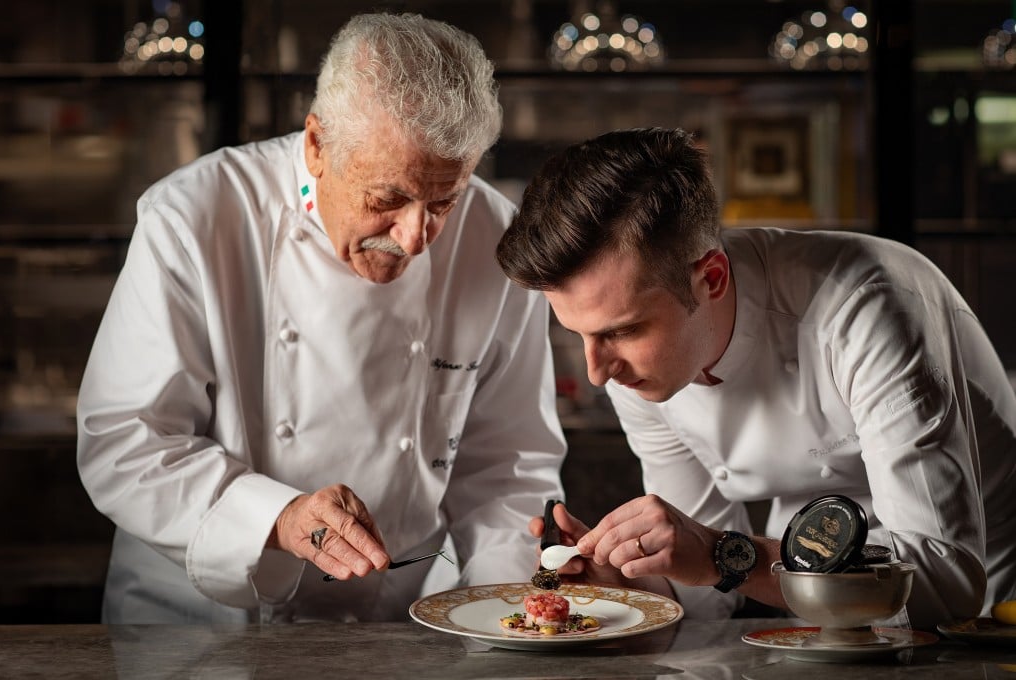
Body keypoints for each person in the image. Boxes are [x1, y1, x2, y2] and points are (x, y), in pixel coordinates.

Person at [76, 12, 566, 624]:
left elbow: (509, 464)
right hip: (200, 621)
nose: (416, 238)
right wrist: (277, 518)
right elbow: (126, 443)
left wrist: (507, 609)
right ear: (316, 145)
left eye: (444, 201)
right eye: (386, 200)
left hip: (404, 614)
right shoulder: (194, 218)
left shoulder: (498, 238)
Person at [496, 126, 1016, 629]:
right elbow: (711, 592)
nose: (596, 372)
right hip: (817, 619)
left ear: (712, 279)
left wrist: (725, 556)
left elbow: (944, 585)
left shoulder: (866, 308)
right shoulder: (637, 373)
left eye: (624, 330)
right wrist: (627, 578)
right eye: (578, 334)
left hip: (988, 618)